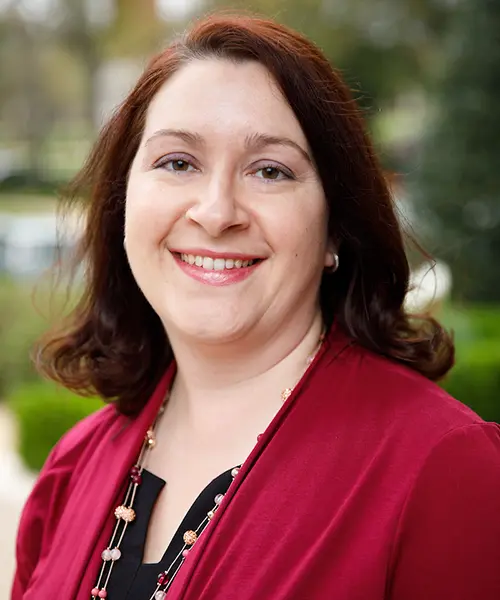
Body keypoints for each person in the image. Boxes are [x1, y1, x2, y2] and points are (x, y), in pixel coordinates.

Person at [11, 12, 500, 600]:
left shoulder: (441, 470)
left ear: (334, 231)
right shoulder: (72, 468)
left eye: (270, 171)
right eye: (178, 162)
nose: (217, 213)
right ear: (123, 203)